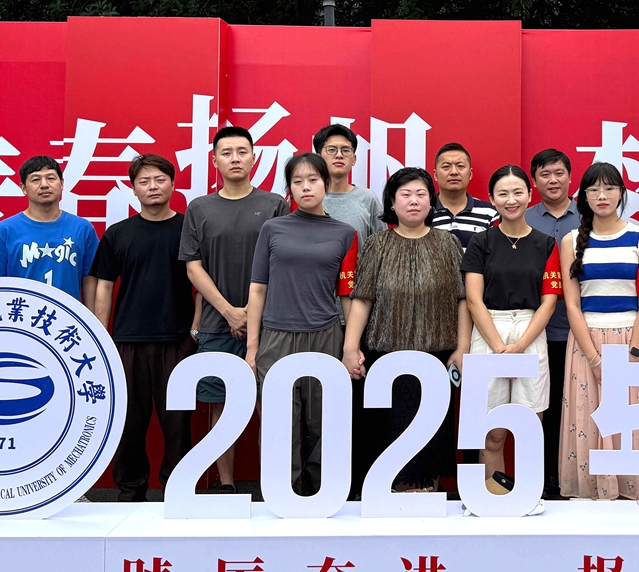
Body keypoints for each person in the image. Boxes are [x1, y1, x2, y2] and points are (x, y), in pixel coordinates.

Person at [343, 167, 470, 493]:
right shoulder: (377, 244)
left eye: (421, 194)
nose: (414, 201)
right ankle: (389, 495)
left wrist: (462, 347)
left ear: (431, 201)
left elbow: (462, 300)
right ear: (392, 202)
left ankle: (427, 496)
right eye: (406, 194)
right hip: (384, 359)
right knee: (386, 432)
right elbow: (362, 299)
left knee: (432, 437)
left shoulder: (448, 243)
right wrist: (350, 348)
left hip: (436, 358)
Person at [180, 126, 289, 494]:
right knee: (220, 406)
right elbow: (193, 267)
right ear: (214, 161)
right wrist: (229, 311)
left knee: (270, 406)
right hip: (217, 323)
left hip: (270, 325)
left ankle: (273, 485)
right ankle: (225, 485)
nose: (235, 158)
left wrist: (252, 316)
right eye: (226, 153)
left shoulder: (274, 205)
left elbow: (282, 264)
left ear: (254, 157)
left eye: (242, 151)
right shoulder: (199, 208)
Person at [559, 162, 639, 500]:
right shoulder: (570, 242)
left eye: (609, 188)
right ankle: (597, 486)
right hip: (587, 343)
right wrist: (595, 359)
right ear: (584, 197)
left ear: (622, 193)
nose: (602, 196)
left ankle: (638, 487)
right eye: (594, 189)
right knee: (591, 416)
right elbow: (572, 305)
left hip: (634, 340)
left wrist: (633, 353)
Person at [246, 153, 358, 496]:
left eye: (313, 180)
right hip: (276, 337)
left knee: (322, 422)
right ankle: (283, 493)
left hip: (326, 336)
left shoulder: (345, 233)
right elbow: (258, 288)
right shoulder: (273, 228)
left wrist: (350, 347)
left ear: (326, 183)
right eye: (298, 181)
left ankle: (320, 493)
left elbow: (347, 296)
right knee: (280, 423)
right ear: (289, 188)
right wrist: (252, 348)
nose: (306, 187)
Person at [91, 154, 197, 502]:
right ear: (133, 188)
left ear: (173, 184)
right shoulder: (118, 234)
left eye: (160, 179)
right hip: (127, 341)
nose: (153, 187)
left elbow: (201, 284)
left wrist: (194, 331)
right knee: (129, 422)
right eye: (144, 181)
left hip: (177, 340)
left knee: (178, 424)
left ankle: (176, 491)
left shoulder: (188, 230)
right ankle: (130, 489)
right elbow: (104, 286)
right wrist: (102, 337)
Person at [461, 165, 561, 502]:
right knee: (492, 430)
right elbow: (473, 300)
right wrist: (499, 346)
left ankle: (528, 498)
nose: (511, 199)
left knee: (530, 423)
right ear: (491, 199)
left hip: (530, 333)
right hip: (489, 330)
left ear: (530, 195)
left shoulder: (546, 244)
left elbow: (549, 302)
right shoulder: (481, 242)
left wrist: (519, 345)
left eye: (518, 192)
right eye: (502, 194)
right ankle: (493, 497)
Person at [524, 148, 580, 499]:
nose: (553, 180)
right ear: (534, 181)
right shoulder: (522, 218)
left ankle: (573, 478)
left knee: (575, 408)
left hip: (581, 331)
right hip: (534, 332)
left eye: (559, 173)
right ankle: (542, 480)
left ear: (570, 177)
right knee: (540, 408)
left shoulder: (589, 217)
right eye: (545, 174)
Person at [0, 155, 98, 309]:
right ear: (23, 188)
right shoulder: (5, 230)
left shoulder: (82, 228)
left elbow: (90, 280)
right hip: (19, 317)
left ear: (62, 184)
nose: (44, 185)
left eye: (51, 178)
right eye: (35, 180)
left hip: (68, 318)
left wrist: (90, 320)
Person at [313, 123, 385, 248]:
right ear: (318, 158)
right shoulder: (306, 196)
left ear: (354, 159)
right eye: (331, 150)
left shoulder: (368, 198)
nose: (339, 155)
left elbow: (382, 247)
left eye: (345, 150)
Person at [431, 142, 498, 249]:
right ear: (435, 175)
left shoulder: (490, 213)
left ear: (470, 174)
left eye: (460, 166)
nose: (454, 172)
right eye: (446, 167)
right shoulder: (423, 211)